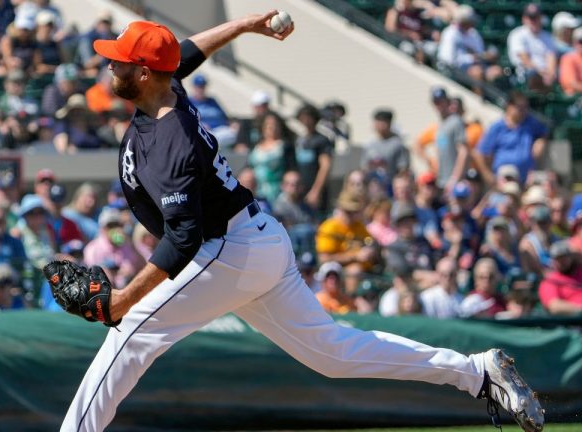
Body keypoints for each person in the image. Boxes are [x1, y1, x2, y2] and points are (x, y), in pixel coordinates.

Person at [57, 15, 544, 432]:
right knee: (331, 354)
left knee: (130, 333)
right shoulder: (167, 88)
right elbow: (187, 51)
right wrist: (246, 25)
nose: (109, 65)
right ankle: (476, 372)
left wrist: (122, 299)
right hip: (255, 239)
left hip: (225, 248)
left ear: (142, 73)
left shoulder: (169, 137)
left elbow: (183, 237)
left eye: (118, 60)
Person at [473, 91, 548, 185]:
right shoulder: (497, 127)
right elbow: (479, 153)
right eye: (520, 107)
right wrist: (487, 175)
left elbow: (544, 132)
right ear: (509, 106)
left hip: (526, 179)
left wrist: (541, 141)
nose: (524, 111)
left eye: (526, 107)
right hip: (504, 178)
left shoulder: (530, 123)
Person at [507, 3, 557, 92]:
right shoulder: (517, 34)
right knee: (533, 74)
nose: (533, 20)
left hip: (544, 74)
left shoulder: (547, 37)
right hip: (524, 74)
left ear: (541, 18)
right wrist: (542, 73)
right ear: (524, 18)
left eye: (535, 17)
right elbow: (524, 59)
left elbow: (551, 58)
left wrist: (550, 73)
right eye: (530, 17)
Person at [294, 103, 333, 209]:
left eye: (308, 117)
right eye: (302, 117)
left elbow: (325, 166)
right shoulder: (299, 140)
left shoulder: (322, 140)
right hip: (300, 189)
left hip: (315, 190)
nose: (305, 120)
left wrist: (316, 191)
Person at [361, 108, 409, 180]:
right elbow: (364, 167)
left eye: (383, 122)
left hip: (390, 184)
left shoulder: (397, 144)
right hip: (373, 186)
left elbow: (403, 168)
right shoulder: (370, 145)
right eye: (377, 122)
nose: (379, 125)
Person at [538, 240, 582, 315]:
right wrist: (579, 309)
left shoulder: (579, 271)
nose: (562, 261)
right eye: (558, 259)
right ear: (553, 261)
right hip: (572, 322)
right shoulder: (550, 282)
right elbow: (554, 306)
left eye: (565, 257)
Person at [559, 27, 582, 96]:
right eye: (581, 41)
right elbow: (571, 83)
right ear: (574, 42)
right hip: (574, 100)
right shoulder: (568, 58)